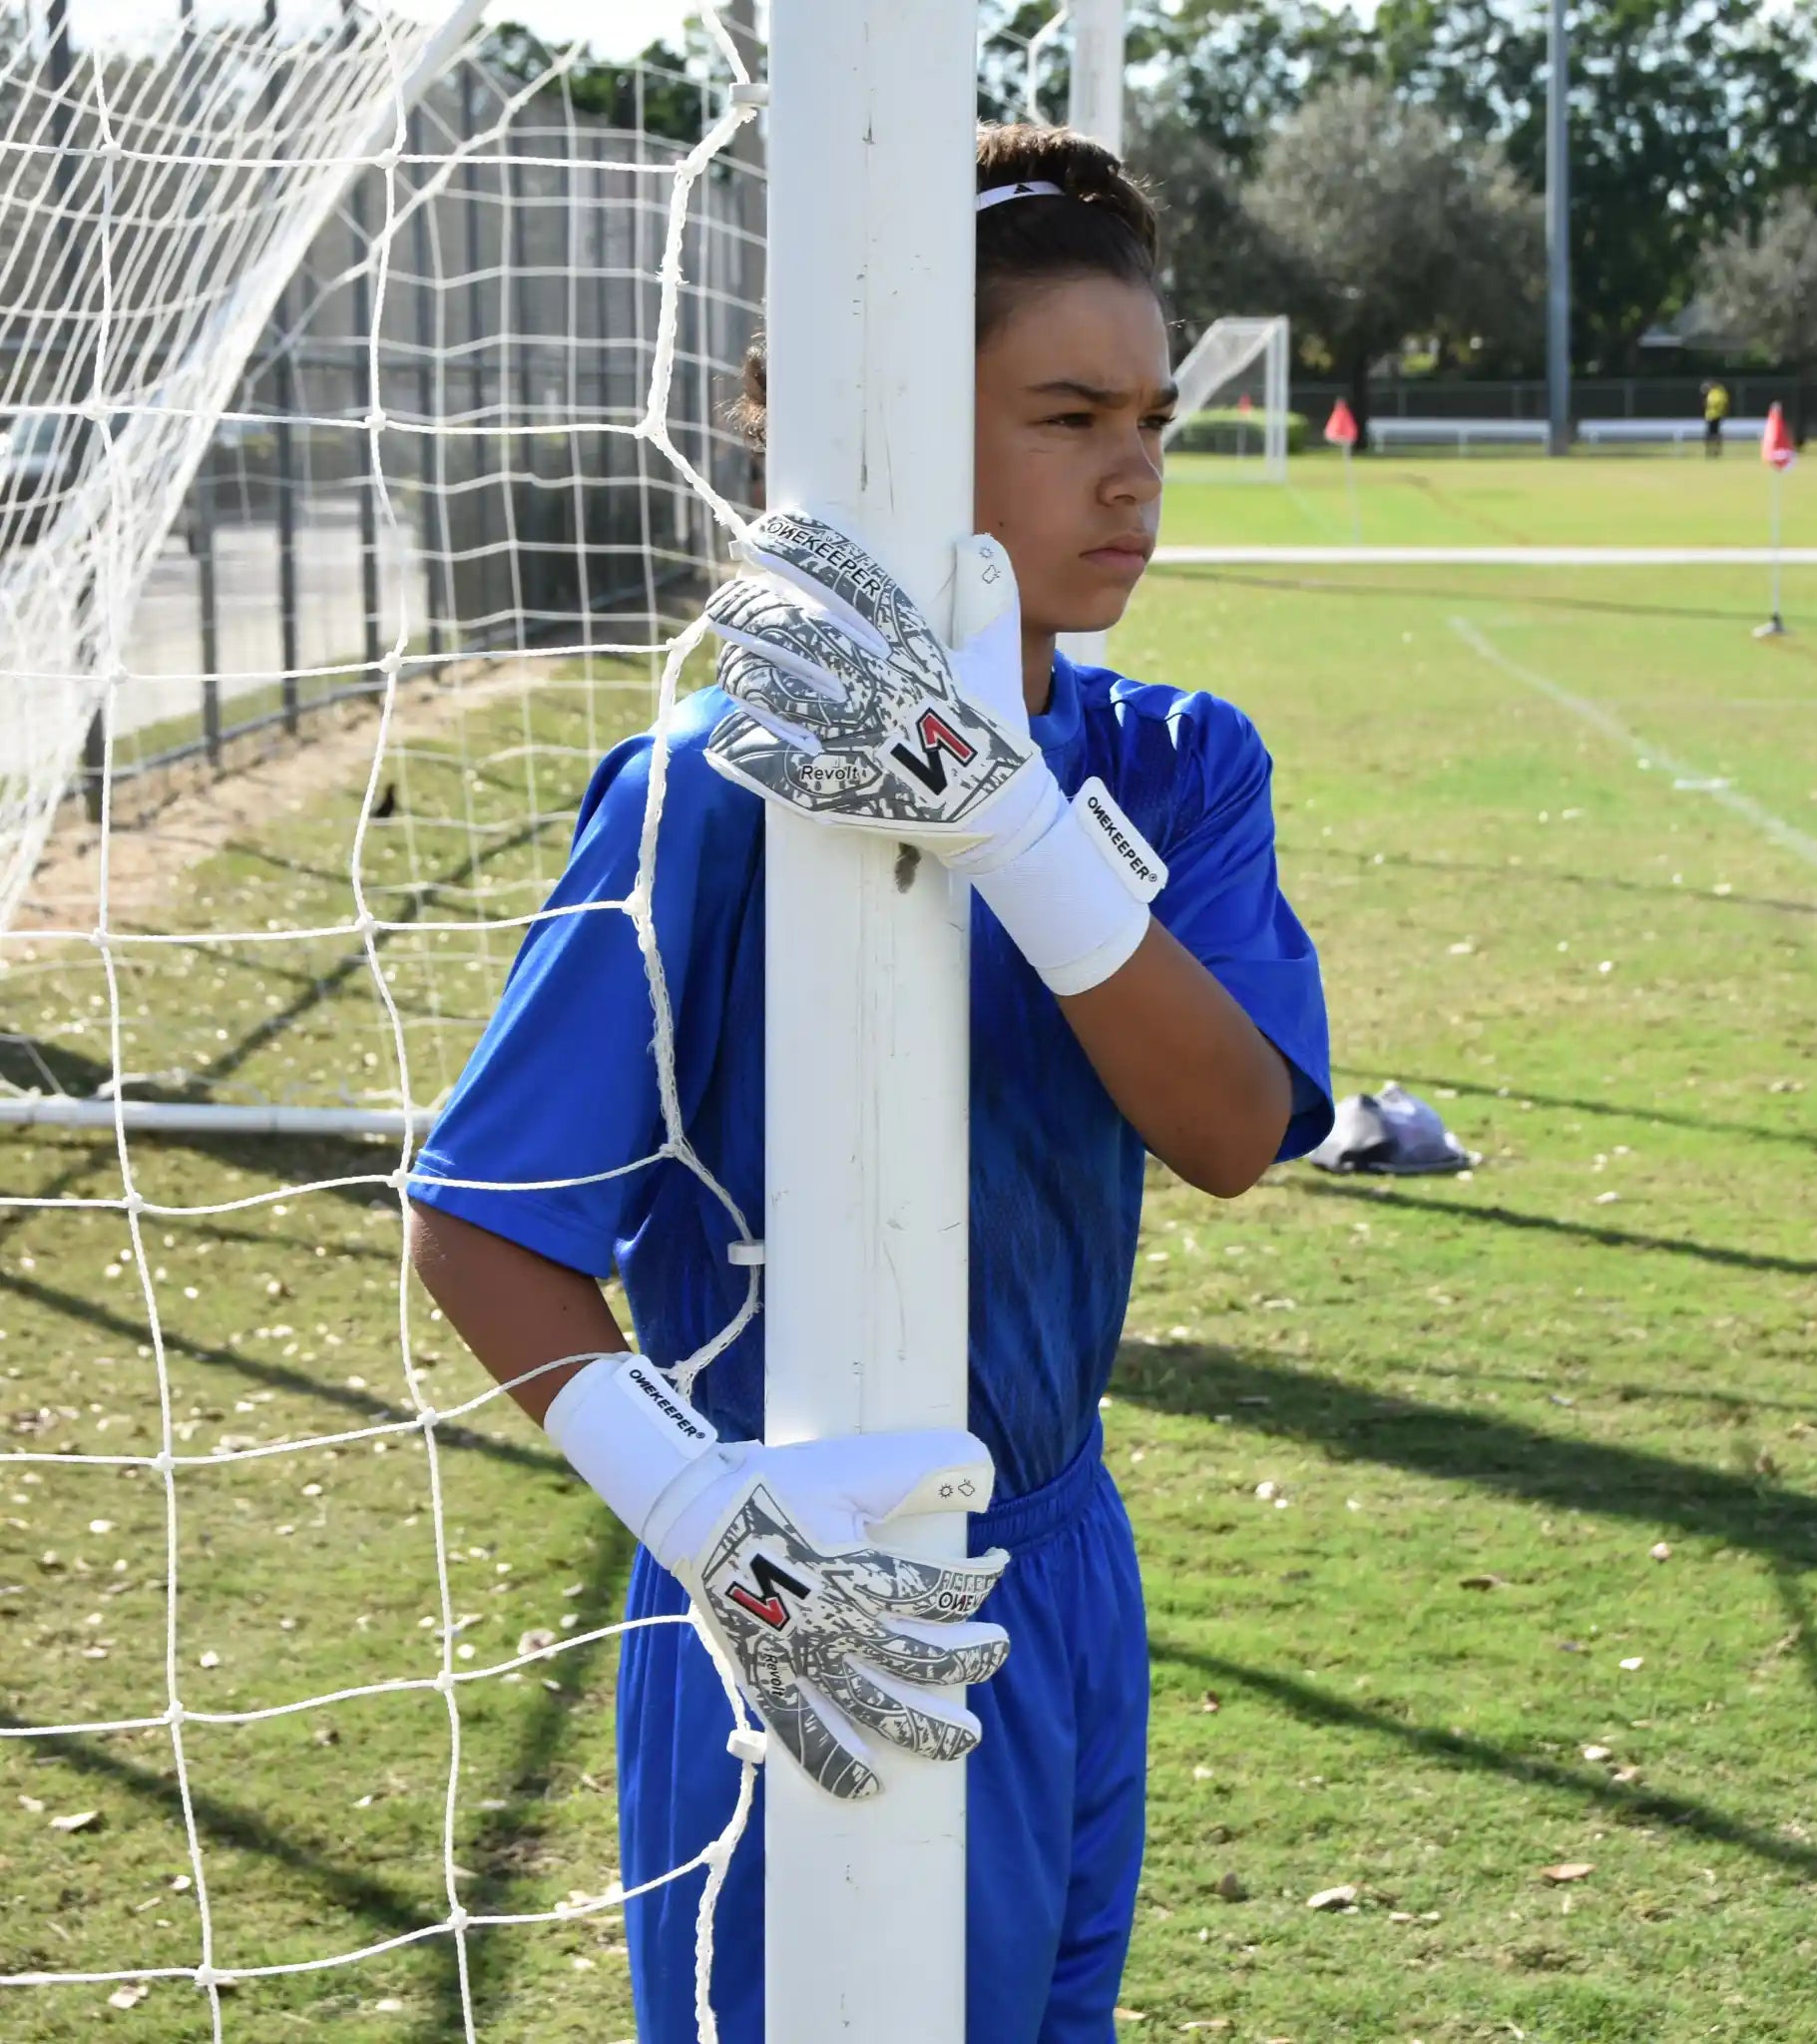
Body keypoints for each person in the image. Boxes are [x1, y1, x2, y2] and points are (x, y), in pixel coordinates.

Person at [406, 122, 1332, 2044]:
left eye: (1152, 413)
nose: (1134, 471)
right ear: (898, 422)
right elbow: (482, 1222)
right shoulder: (707, 790)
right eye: (1068, 412)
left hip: (1062, 1561)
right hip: (805, 1588)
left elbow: (1234, 1128)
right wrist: (710, 1529)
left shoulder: (1175, 761)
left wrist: (1012, 823)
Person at [1701, 376, 1730, 457]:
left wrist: (1709, 405)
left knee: (1714, 434)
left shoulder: (1718, 392)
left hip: (1716, 416)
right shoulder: (1713, 392)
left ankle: (1715, 451)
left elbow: (1719, 403)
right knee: (1711, 434)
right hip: (1711, 416)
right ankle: (1711, 451)